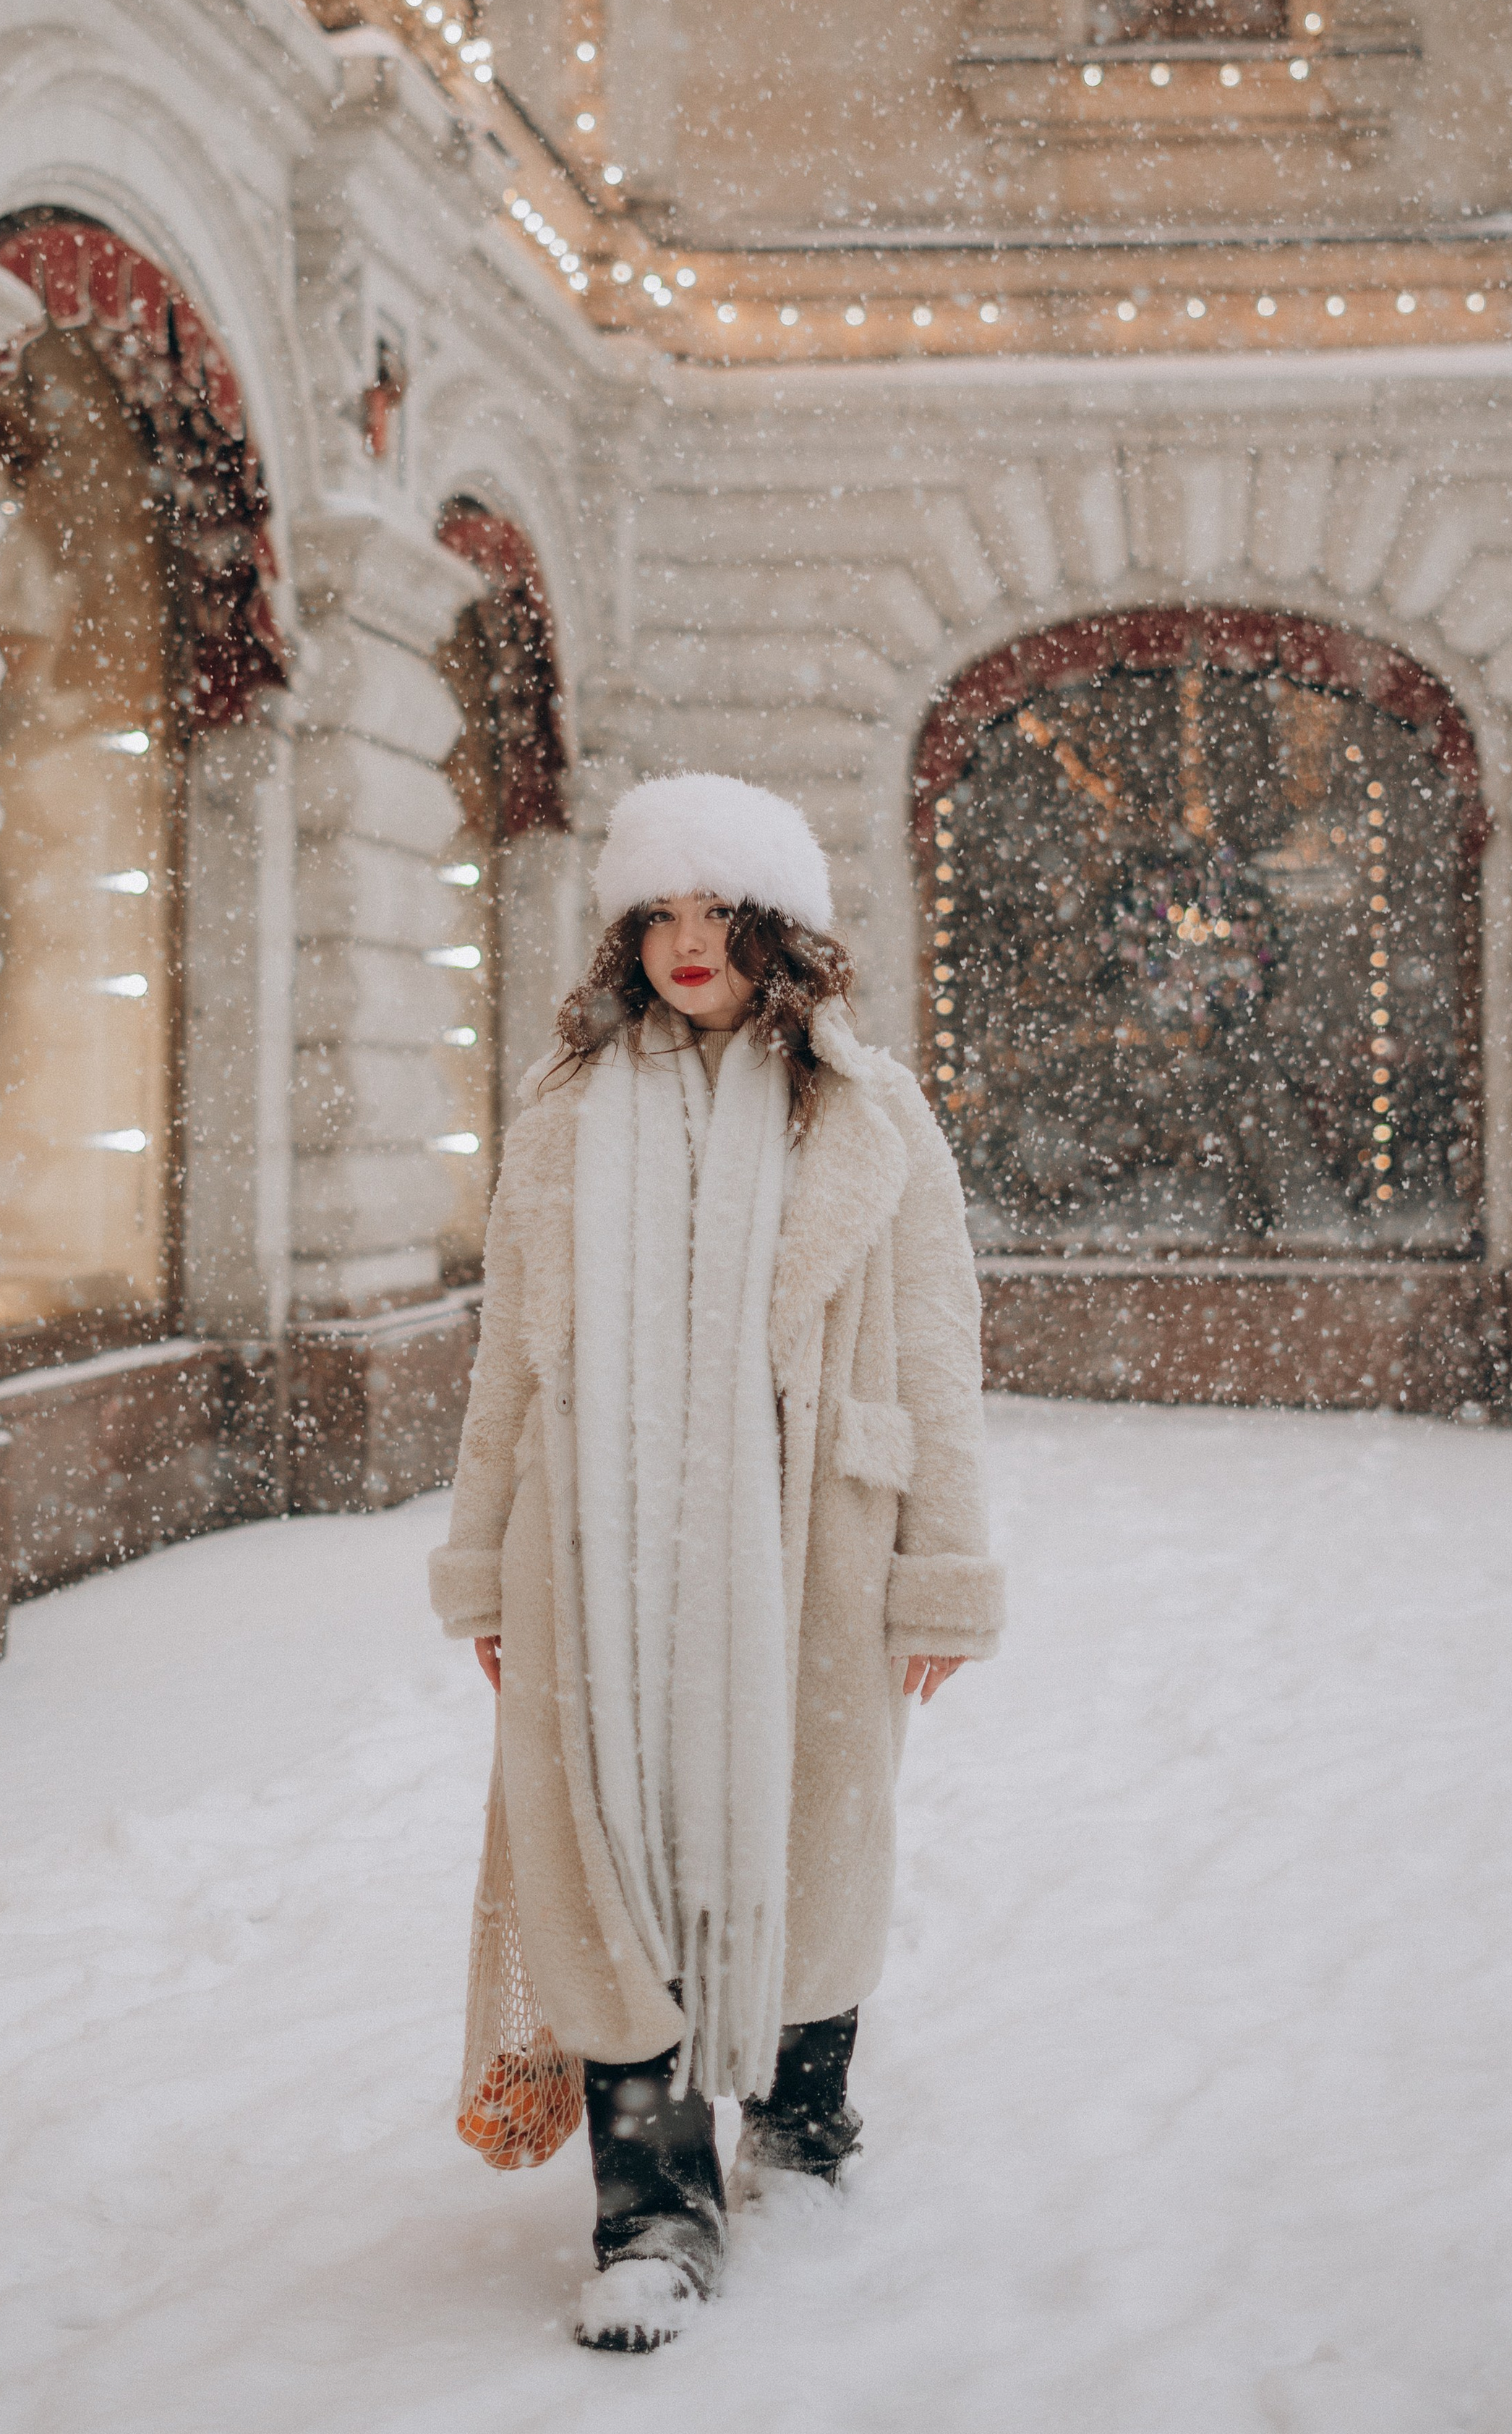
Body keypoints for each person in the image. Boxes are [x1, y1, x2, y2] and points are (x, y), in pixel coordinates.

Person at [429, 772, 1001, 2352]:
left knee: (810, 1833)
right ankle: (648, 2203)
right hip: (593, 1551)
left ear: (775, 933)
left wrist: (944, 1567)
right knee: (602, 1850)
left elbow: (938, 1356)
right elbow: (507, 1369)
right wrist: (480, 1563)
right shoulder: (563, 1111)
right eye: (655, 917)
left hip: (809, 1549)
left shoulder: (865, 1113)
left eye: (713, 915)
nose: (685, 946)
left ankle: (803, 2123)